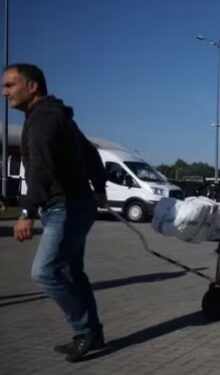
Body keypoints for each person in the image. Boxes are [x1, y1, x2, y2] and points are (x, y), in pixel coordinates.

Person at [3, 63, 107, 362]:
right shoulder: (55, 116)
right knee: (71, 271)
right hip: (73, 204)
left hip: (66, 206)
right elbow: (91, 153)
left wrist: (26, 211)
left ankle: (85, 331)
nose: (4, 92)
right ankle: (93, 333)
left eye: (10, 85)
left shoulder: (42, 120)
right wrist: (98, 189)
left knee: (45, 272)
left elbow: (40, 169)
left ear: (32, 86)